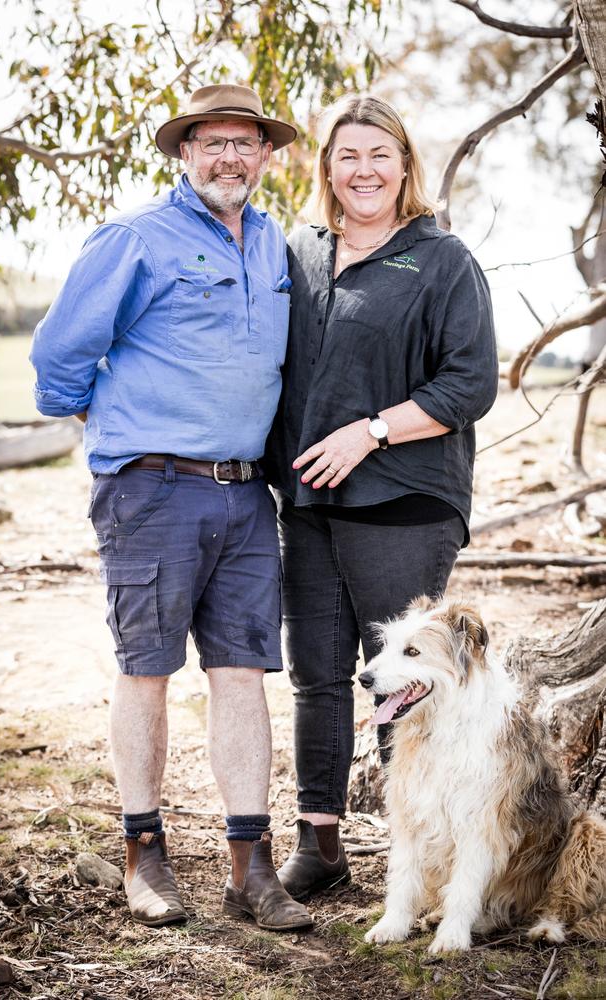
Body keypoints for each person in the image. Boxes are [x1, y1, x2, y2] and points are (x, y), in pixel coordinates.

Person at [30, 84, 313, 932]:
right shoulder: (135, 238)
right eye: (213, 142)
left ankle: (251, 868)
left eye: (246, 142)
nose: (230, 156)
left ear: (266, 155)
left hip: (246, 494)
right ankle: (144, 852)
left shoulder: (272, 243)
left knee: (244, 675)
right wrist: (120, 428)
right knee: (146, 670)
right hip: (151, 489)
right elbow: (57, 360)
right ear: (184, 153)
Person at [264, 93, 498, 900]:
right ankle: (320, 844)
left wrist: (372, 431)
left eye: (379, 155)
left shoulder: (441, 260)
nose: (363, 171)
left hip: (404, 503)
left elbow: (470, 383)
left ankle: (420, 857)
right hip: (308, 506)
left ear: (405, 167)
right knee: (316, 678)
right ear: (327, 168)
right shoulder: (294, 251)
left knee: (407, 683)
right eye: (348, 156)